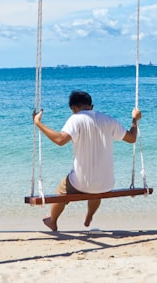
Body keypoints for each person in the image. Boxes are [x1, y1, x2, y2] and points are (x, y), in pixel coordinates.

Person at [33, 90, 142, 232]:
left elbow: (60, 140)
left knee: (62, 190)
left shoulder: (75, 119)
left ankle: (52, 221)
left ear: (73, 108)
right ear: (92, 106)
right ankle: (89, 215)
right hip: (106, 184)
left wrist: (38, 123)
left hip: (80, 183)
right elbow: (132, 139)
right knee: (96, 188)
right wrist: (135, 120)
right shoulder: (108, 119)